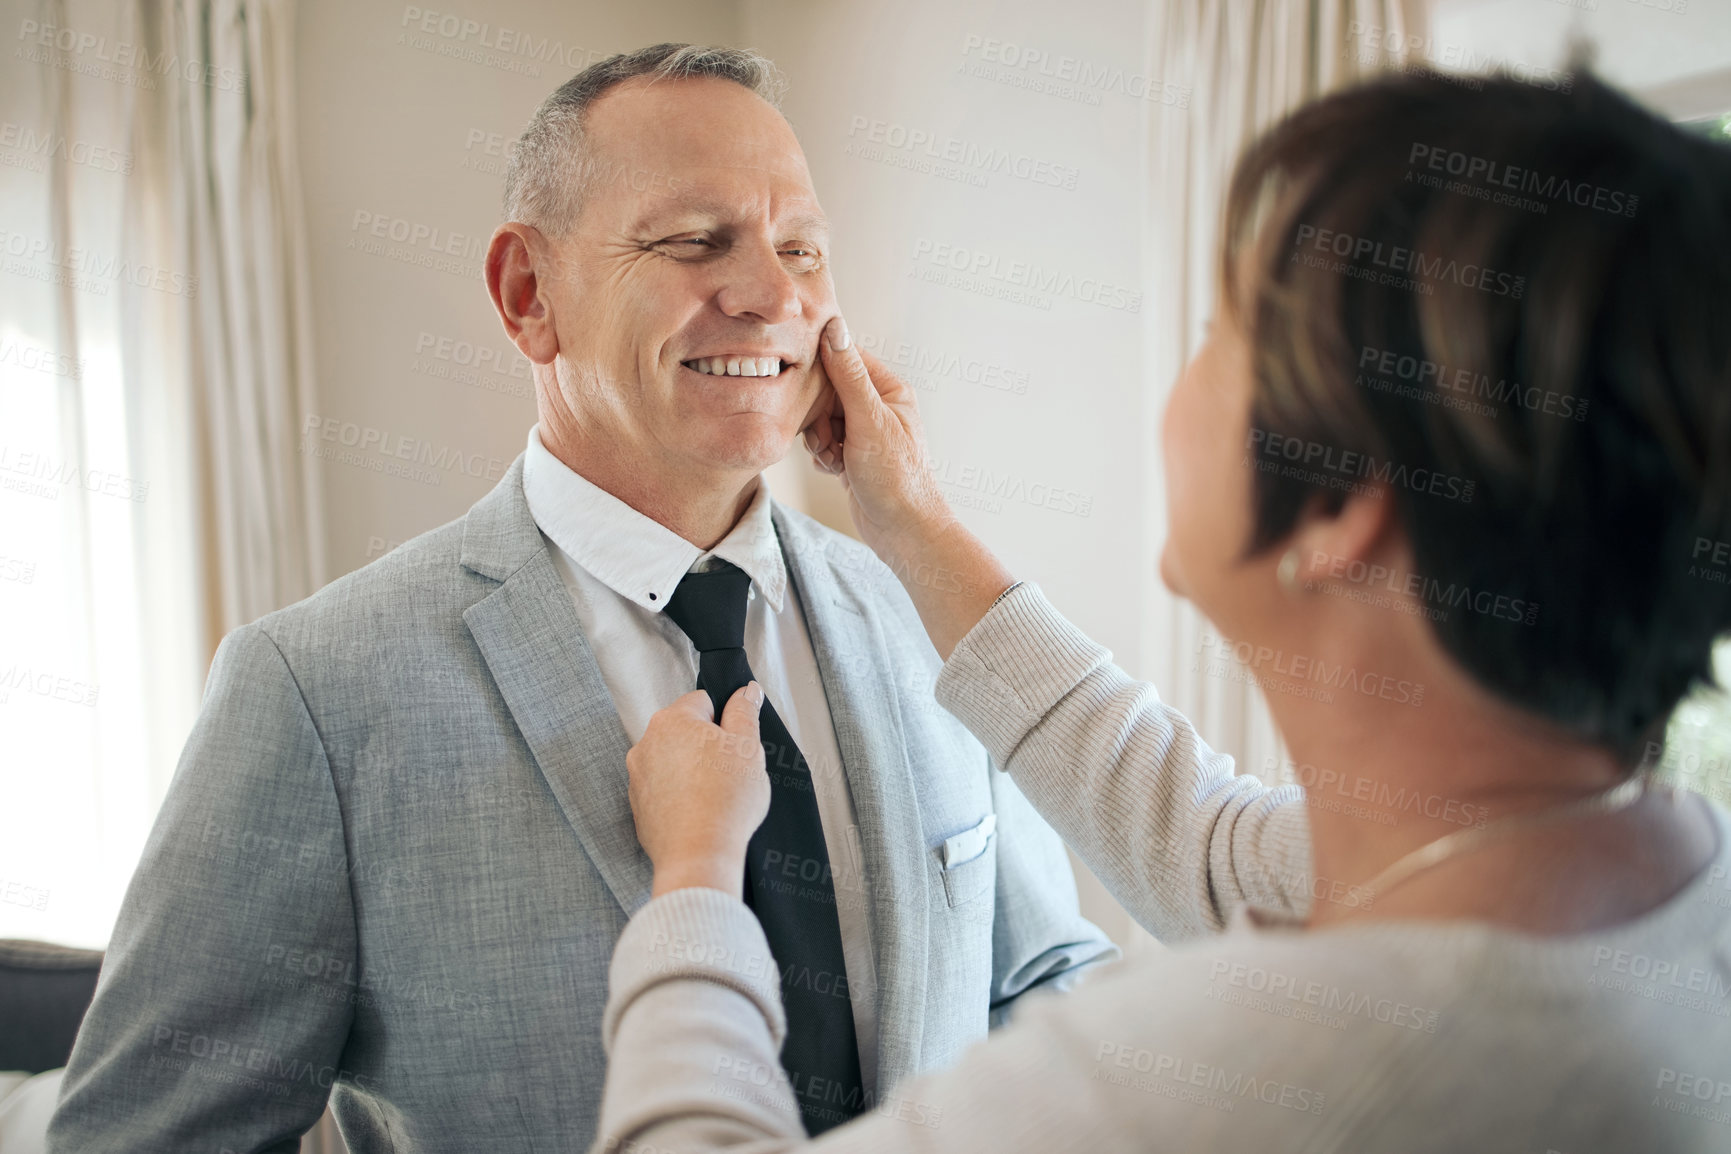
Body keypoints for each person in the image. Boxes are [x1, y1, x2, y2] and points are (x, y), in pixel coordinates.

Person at [594, 66, 1731, 1152]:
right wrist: (914, 522)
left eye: (1222, 332)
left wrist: (696, 880)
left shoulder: (1221, 1081)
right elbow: (1212, 848)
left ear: (1339, 508)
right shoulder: (1651, 883)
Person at [47, 44, 1114, 1153]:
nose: (772, 296)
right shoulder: (315, 693)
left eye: (801, 247)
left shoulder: (920, 611)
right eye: (696, 241)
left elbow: (1046, 975)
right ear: (529, 294)